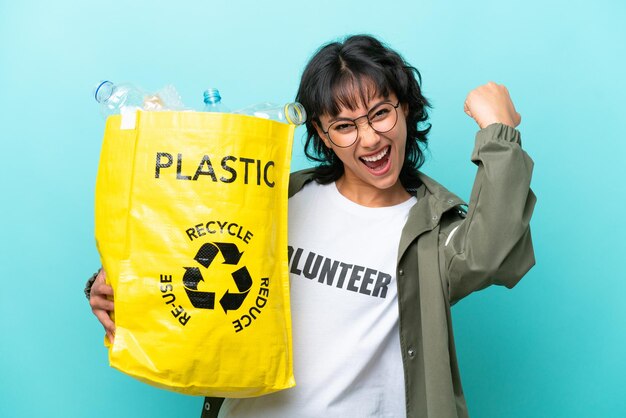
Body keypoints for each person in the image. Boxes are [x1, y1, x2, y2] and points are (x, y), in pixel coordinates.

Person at [86, 34, 535, 418]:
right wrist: (114, 287)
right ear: (321, 133)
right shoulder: (279, 199)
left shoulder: (434, 231)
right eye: (344, 125)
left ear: (407, 110)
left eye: (381, 113)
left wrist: (500, 132)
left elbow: (493, 250)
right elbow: (186, 243)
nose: (370, 138)